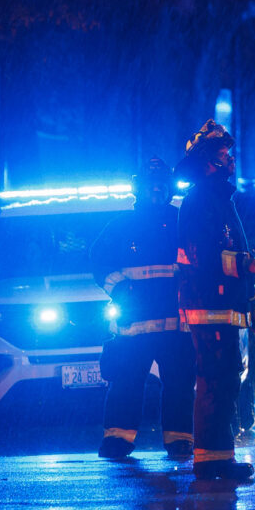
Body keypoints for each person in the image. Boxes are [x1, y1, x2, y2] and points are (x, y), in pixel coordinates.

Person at [173, 122, 255, 485]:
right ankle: (209, 461)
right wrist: (243, 266)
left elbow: (238, 252)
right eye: (224, 155)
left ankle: (220, 457)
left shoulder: (222, 200)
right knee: (214, 379)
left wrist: (252, 300)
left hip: (226, 308)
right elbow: (205, 257)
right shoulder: (199, 202)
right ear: (209, 162)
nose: (231, 160)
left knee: (226, 381)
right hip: (208, 309)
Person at [94, 156, 194, 466]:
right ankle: (117, 439)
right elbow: (98, 260)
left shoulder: (184, 222)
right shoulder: (121, 226)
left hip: (176, 323)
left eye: (162, 184)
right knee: (126, 381)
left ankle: (180, 440)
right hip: (134, 323)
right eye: (151, 184)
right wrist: (119, 289)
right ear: (138, 187)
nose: (157, 189)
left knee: (179, 383)